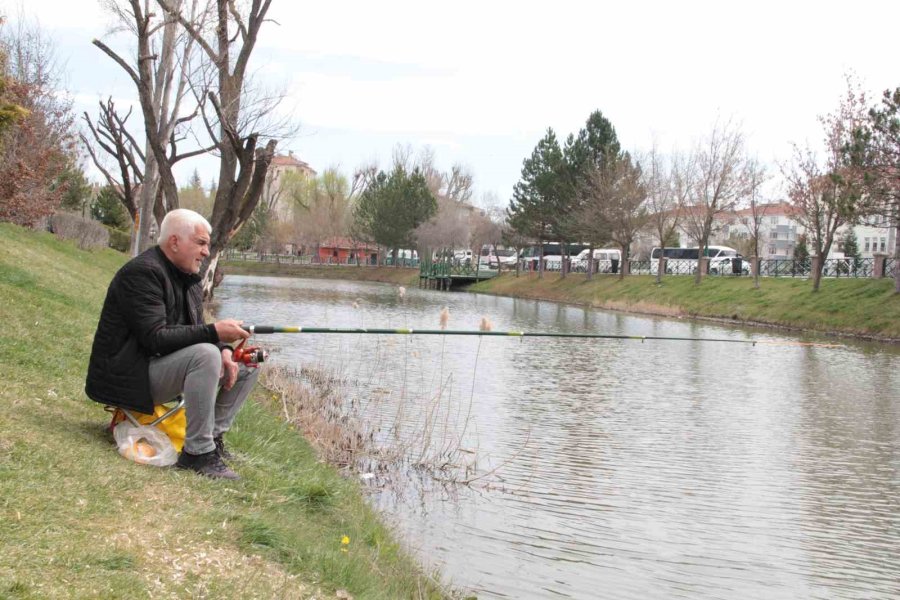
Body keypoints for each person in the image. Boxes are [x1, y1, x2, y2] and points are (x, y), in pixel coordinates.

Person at [86, 208, 257, 480]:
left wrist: (225, 349)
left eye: (207, 245)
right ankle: (197, 454)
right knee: (204, 355)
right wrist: (215, 333)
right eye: (200, 243)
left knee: (248, 361)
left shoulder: (188, 278)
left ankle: (212, 440)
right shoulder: (142, 273)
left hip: (157, 368)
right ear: (174, 242)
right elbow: (156, 338)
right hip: (130, 375)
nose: (205, 252)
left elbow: (195, 327)